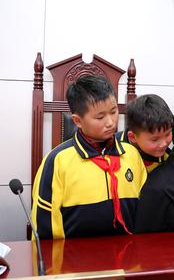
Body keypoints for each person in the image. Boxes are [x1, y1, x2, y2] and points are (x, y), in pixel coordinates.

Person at [31, 75, 147, 239]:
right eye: (100, 117)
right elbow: (44, 228)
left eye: (114, 112)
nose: (110, 122)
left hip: (129, 258)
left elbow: (145, 211)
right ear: (78, 121)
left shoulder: (131, 154)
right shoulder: (57, 161)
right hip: (74, 260)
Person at [116, 94, 174, 173]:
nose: (164, 144)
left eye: (167, 134)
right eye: (155, 139)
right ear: (133, 137)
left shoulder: (168, 158)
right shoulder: (113, 149)